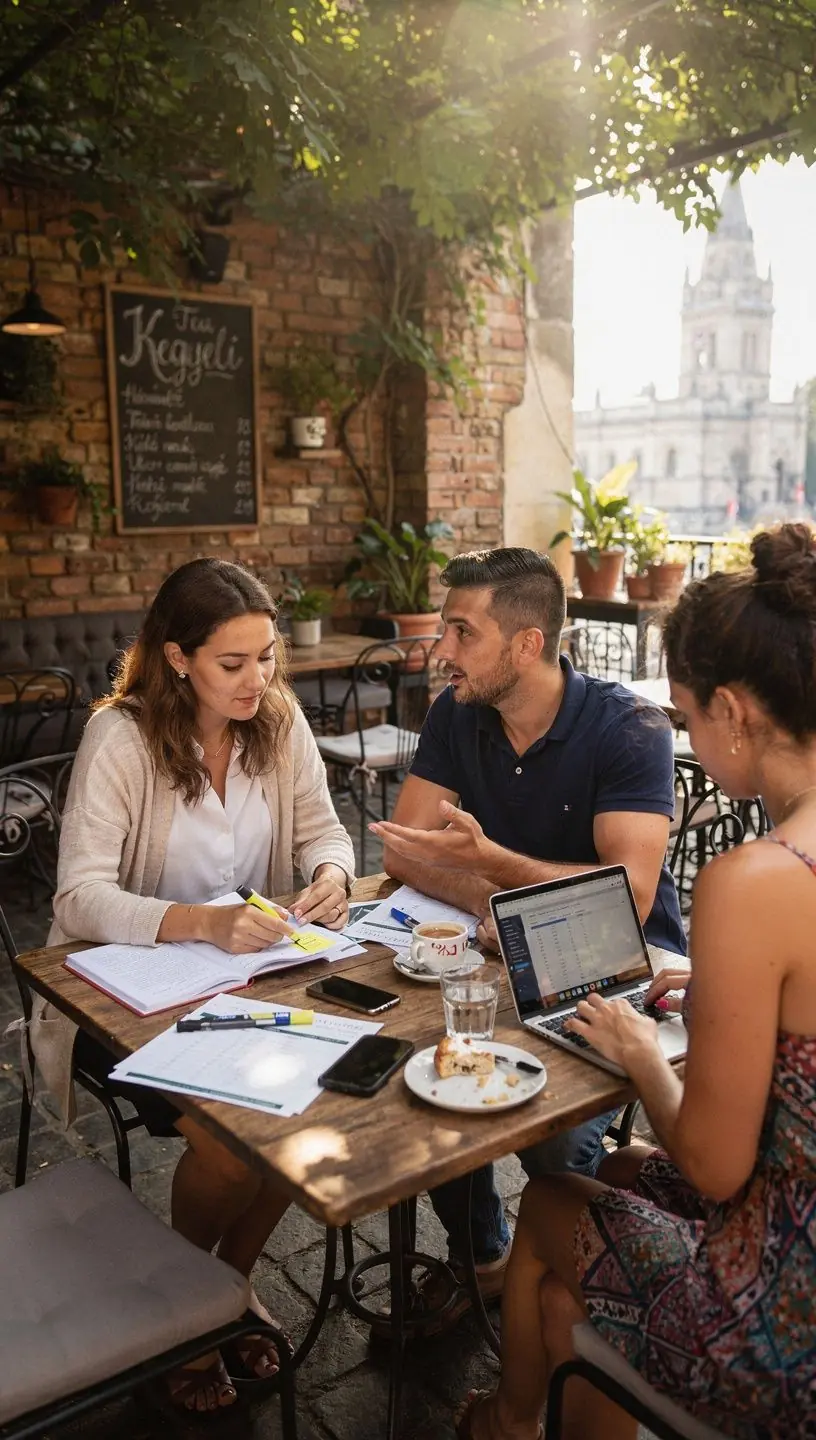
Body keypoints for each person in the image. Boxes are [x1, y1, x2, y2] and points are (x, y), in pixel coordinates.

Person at [454, 522, 816, 1440]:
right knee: (614, 1172)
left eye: (687, 717)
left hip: (784, 1331)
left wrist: (640, 1050)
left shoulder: (758, 881)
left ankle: (507, 1423)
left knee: (548, 1203)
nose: (683, 736)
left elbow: (712, 1166)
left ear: (734, 711)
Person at [33, 557, 355, 1413]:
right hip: (127, 997)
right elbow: (78, 898)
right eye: (233, 663)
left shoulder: (275, 720)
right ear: (177, 658)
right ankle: (191, 1313)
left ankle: (219, 1294)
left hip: (250, 982)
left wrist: (332, 874)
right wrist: (201, 923)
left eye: (268, 657)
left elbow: (327, 832)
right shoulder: (122, 738)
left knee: (306, 1113)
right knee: (229, 1143)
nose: (258, 681)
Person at [372, 546, 685, 1323]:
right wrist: (509, 906)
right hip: (491, 954)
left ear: (526, 644)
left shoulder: (628, 727)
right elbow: (403, 851)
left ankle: (572, 1273)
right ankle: (485, 1258)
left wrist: (495, 875)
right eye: (444, 629)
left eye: (462, 632)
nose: (441, 651)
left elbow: (629, 899)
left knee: (551, 1145)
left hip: (621, 970)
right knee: (427, 1085)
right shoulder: (457, 711)